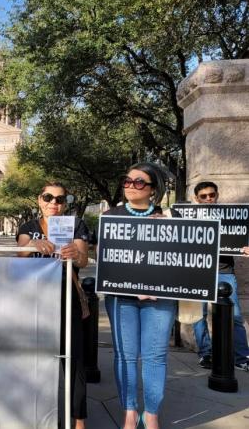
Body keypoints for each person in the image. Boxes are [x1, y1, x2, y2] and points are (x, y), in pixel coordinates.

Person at [104, 162, 177, 429]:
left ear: (152, 189)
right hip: (121, 299)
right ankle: (130, 411)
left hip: (159, 299)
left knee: (155, 355)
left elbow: (185, 260)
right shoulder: (111, 216)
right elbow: (107, 261)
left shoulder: (169, 219)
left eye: (138, 182)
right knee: (125, 355)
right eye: (127, 181)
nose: (130, 186)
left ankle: (152, 413)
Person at [16, 181, 90, 429]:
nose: (53, 204)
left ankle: (78, 421)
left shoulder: (76, 225)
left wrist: (74, 254)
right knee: (36, 361)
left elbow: (83, 260)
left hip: (67, 298)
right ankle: (41, 417)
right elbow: (19, 254)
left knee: (74, 362)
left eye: (60, 199)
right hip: (34, 301)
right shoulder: (28, 227)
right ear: (39, 200)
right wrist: (32, 245)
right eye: (48, 197)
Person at [190, 181, 249, 371]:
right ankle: (205, 354)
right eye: (204, 196)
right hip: (196, 271)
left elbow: (242, 235)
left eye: (212, 195)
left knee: (235, 316)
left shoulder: (232, 217)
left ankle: (241, 357)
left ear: (217, 195)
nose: (209, 199)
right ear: (196, 199)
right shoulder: (189, 218)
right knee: (199, 316)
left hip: (224, 272)